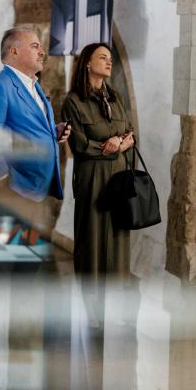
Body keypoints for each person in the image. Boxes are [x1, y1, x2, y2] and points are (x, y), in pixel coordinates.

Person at [0, 27, 70, 235]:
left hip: (36, 191)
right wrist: (4, 185)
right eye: (35, 46)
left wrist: (53, 132)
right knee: (7, 265)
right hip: (14, 194)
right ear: (14, 52)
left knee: (25, 262)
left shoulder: (33, 85)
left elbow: (24, 127)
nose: (42, 52)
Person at [62, 43, 135, 284]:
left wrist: (122, 142)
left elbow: (129, 133)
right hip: (92, 177)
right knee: (91, 239)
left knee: (118, 238)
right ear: (87, 63)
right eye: (102, 57)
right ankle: (92, 307)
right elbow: (80, 144)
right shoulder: (73, 102)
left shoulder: (116, 98)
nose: (109, 62)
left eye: (110, 58)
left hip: (119, 176)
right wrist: (111, 147)